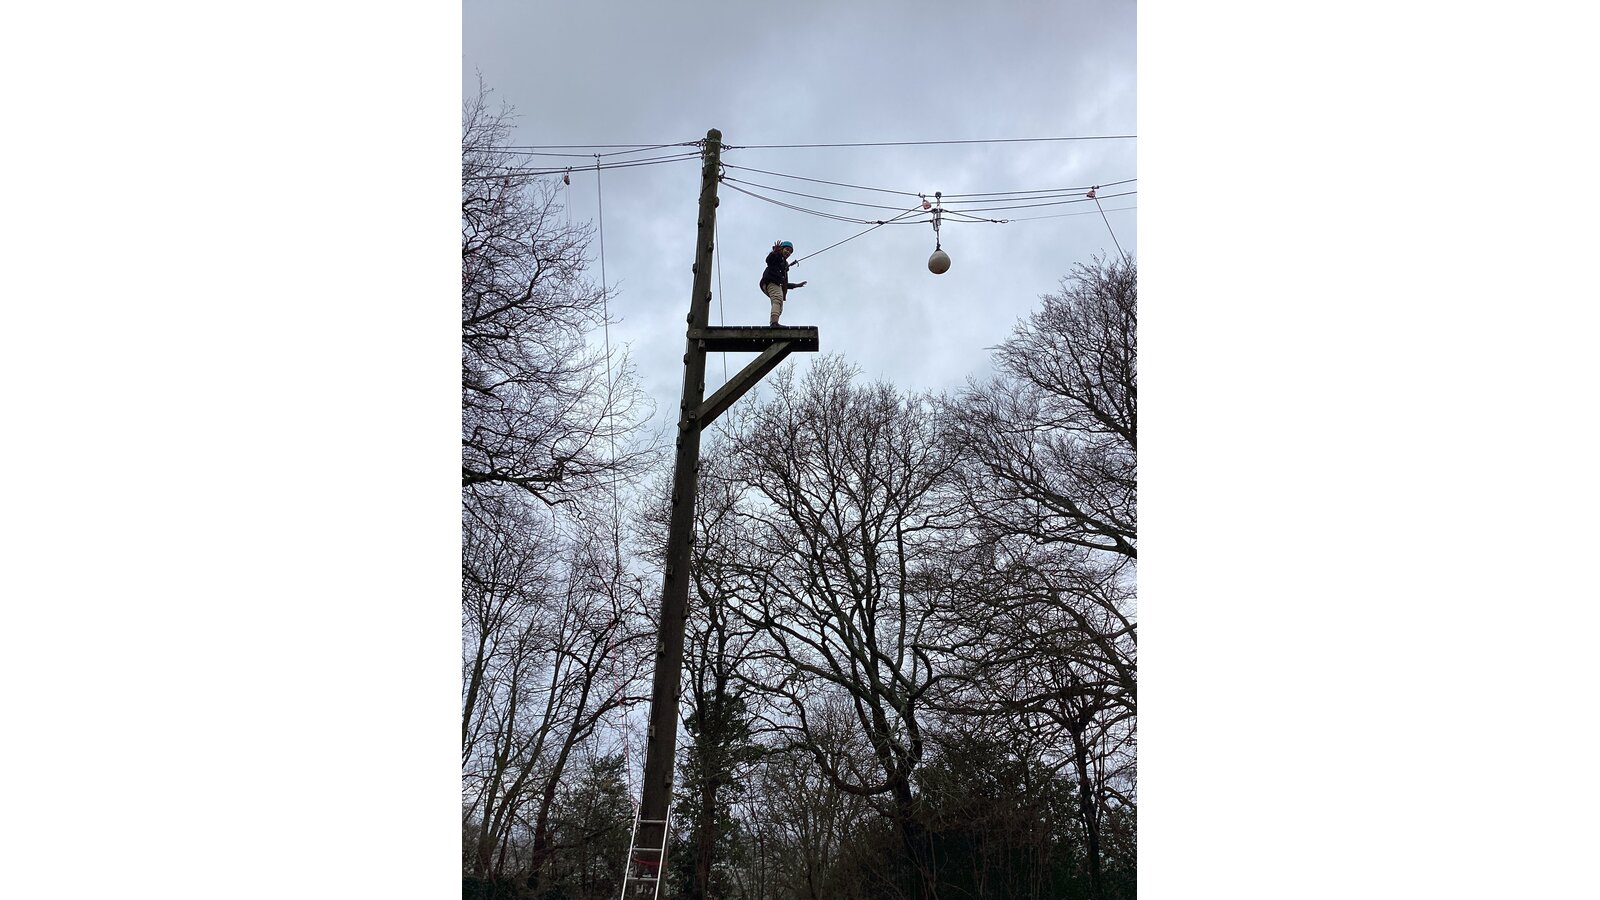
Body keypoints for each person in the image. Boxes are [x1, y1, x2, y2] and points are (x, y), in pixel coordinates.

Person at [759, 240, 807, 326]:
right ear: (781, 249)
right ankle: (774, 323)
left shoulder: (783, 267)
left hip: (775, 283)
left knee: (779, 304)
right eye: (787, 249)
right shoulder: (777, 257)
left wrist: (796, 285)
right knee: (777, 299)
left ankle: (774, 323)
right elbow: (769, 260)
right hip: (770, 281)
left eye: (790, 252)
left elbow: (784, 283)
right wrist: (775, 252)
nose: (788, 252)